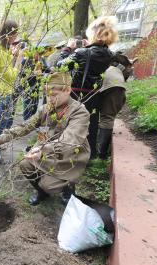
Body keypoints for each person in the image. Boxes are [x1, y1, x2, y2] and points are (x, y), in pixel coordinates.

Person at [0, 72, 90, 205]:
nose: (50, 99)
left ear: (68, 90)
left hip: (67, 155)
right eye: (47, 95)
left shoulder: (79, 112)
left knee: (49, 185)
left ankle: (68, 186)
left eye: (54, 95)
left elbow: (69, 141)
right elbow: (26, 126)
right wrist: (1, 138)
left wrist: (43, 150)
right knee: (25, 165)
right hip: (44, 150)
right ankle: (42, 192)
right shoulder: (46, 109)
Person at [57, 16, 118, 159]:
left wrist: (68, 49)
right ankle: (88, 155)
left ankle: (67, 152)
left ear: (94, 34)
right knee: (91, 124)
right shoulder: (109, 54)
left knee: (72, 122)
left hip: (77, 94)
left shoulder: (82, 52)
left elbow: (61, 66)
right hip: (95, 94)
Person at [0, 19, 23, 163]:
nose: (15, 38)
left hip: (3, 92)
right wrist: (19, 59)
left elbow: (6, 65)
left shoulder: (1, 49)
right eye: (14, 34)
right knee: (2, 124)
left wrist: (13, 55)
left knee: (5, 123)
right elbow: (11, 76)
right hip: (4, 93)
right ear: (7, 34)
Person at [97, 53, 137, 158]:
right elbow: (126, 72)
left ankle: (99, 150)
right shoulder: (121, 64)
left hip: (108, 84)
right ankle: (101, 154)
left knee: (104, 117)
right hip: (115, 85)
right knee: (108, 117)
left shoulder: (109, 61)